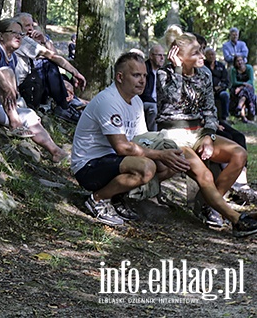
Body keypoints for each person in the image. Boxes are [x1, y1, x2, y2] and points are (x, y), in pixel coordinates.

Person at [72, 52, 192, 227]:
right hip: (89, 166)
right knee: (147, 167)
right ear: (120, 77)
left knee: (172, 162)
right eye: (136, 75)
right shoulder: (109, 100)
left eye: (144, 75)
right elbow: (123, 148)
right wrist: (159, 155)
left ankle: (116, 196)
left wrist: (166, 155)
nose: (142, 80)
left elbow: (140, 140)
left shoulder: (136, 102)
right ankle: (97, 199)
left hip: (115, 161)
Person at [156, 32, 256, 233]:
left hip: (198, 131)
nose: (202, 56)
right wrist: (177, 69)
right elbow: (172, 99)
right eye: (195, 53)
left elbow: (210, 112)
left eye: (201, 51)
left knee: (239, 154)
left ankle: (211, 206)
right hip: (173, 134)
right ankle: (235, 219)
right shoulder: (165, 73)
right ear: (180, 56)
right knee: (205, 174)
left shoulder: (204, 75)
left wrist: (209, 137)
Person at [0, 18, 69, 163]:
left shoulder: (12, 56)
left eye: (21, 34)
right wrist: (6, 85)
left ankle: (55, 151)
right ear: (1, 35)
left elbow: (52, 55)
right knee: (6, 72)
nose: (19, 36)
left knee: (30, 115)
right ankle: (15, 123)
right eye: (14, 33)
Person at [13, 12, 86, 117]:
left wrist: (44, 41)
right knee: (47, 64)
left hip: (31, 86)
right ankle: (64, 107)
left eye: (32, 25)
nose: (30, 29)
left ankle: (68, 103)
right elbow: (53, 57)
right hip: (23, 89)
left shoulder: (30, 40)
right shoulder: (22, 40)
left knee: (56, 71)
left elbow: (54, 55)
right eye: (27, 26)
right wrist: (75, 73)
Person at [137, 45, 165, 132]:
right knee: (153, 108)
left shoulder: (163, 72)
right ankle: (153, 135)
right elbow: (143, 93)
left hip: (158, 102)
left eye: (163, 55)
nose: (162, 58)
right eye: (159, 55)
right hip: (144, 101)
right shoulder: (144, 69)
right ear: (151, 56)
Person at [204, 47, 231, 121]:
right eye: (209, 55)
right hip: (206, 90)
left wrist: (218, 88)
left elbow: (226, 81)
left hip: (219, 90)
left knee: (225, 95)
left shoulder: (221, 66)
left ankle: (224, 118)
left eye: (212, 54)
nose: (211, 56)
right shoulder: (203, 66)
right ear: (205, 56)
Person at [229, 54, 256, 123]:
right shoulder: (233, 70)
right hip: (236, 90)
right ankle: (243, 115)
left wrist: (241, 87)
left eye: (241, 60)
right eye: (237, 61)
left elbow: (250, 81)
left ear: (244, 61)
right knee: (243, 94)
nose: (240, 62)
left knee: (244, 92)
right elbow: (234, 82)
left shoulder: (249, 68)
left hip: (248, 88)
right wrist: (243, 84)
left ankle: (239, 107)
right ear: (235, 62)